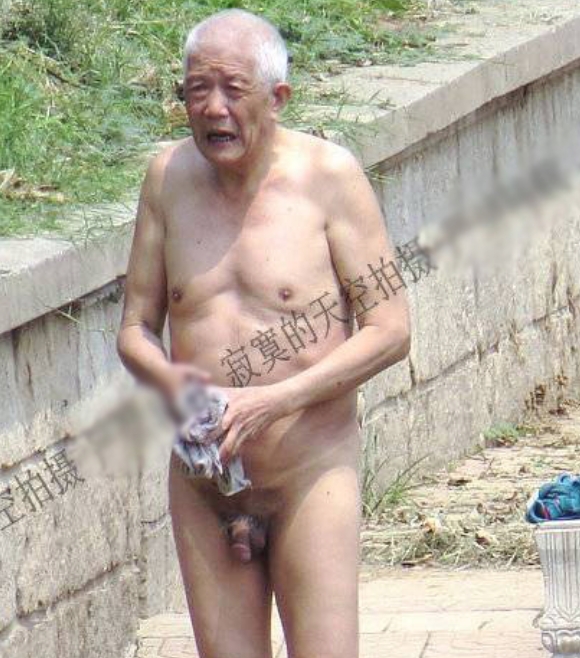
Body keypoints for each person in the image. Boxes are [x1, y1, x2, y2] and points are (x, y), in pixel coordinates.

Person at [116, 8, 411, 658]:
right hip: (205, 482)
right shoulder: (166, 179)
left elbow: (391, 329)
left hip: (309, 472)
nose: (212, 108)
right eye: (197, 89)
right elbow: (135, 328)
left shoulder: (330, 177)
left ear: (277, 98)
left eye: (232, 89)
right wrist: (176, 386)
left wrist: (272, 401)